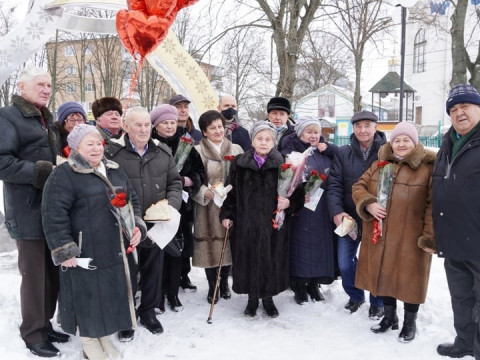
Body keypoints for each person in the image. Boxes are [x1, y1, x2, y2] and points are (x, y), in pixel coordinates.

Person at [42, 124, 147, 359]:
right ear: (75, 147)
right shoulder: (64, 174)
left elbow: (130, 201)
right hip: (84, 249)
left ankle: (103, 337)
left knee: (106, 294)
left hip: (113, 247)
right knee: (87, 296)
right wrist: (64, 250)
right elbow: (53, 214)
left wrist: (136, 226)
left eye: (99, 142)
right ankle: (90, 343)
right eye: (89, 143)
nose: (96, 147)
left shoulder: (113, 169)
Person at [0, 67, 67, 358]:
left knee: (52, 272)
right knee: (35, 274)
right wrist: (41, 171)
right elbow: (2, 162)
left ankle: (45, 323)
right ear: (22, 86)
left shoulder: (45, 119)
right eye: (40, 84)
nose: (47, 89)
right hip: (26, 209)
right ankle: (32, 332)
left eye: (50, 85)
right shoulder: (8, 116)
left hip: (50, 208)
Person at [352, 121, 435, 343]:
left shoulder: (427, 168)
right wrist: (368, 203)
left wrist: (429, 236)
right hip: (380, 234)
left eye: (406, 139)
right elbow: (358, 186)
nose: (401, 144)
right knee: (384, 275)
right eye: (397, 140)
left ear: (415, 142)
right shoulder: (380, 165)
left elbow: (432, 205)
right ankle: (389, 318)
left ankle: (410, 323)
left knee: (410, 279)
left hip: (410, 236)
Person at [105, 107, 182, 340]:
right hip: (125, 225)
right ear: (125, 127)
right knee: (126, 273)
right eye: (138, 125)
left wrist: (171, 208)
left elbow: (175, 184)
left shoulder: (163, 152)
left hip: (156, 224)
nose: (144, 129)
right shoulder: (112, 154)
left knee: (153, 270)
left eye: (147, 124)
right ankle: (126, 317)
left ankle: (148, 311)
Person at [220, 121, 304, 317]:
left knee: (271, 259)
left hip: (273, 224)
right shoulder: (239, 163)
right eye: (260, 138)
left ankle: (268, 298)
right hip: (246, 223)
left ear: (274, 142)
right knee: (247, 258)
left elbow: (298, 191)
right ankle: (251, 299)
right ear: (252, 140)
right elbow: (230, 192)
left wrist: (289, 203)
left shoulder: (284, 163)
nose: (264, 142)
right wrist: (227, 214)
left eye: (268, 139)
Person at [432, 84, 480, 358]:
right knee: (461, 298)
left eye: (465, 107)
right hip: (453, 240)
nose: (459, 113)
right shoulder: (447, 145)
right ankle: (464, 342)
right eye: (453, 109)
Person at [326, 110, 386, 318]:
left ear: (375, 127)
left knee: (375, 261)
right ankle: (355, 295)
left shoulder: (386, 151)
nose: (362, 130)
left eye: (367, 126)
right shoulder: (343, 153)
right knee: (344, 261)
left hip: (375, 217)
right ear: (353, 129)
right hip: (349, 217)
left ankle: (377, 301)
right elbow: (334, 184)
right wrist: (337, 212)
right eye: (358, 126)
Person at [150, 104, 205, 311]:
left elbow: (200, 171)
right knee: (157, 251)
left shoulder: (186, 144)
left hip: (180, 207)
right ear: (156, 125)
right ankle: (157, 294)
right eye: (165, 123)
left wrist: (189, 181)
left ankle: (172, 293)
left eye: (173, 122)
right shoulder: (151, 144)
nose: (170, 126)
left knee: (177, 250)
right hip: (155, 207)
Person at [280, 117, 338, 304]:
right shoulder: (292, 152)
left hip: (321, 208)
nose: (313, 136)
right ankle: (299, 284)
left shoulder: (325, 151)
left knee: (320, 245)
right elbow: (286, 178)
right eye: (309, 132)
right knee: (300, 246)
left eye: (316, 132)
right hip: (300, 207)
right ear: (300, 133)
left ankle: (315, 283)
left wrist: (330, 150)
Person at [192, 110, 243, 304]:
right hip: (208, 207)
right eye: (212, 128)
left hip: (231, 205)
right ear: (204, 131)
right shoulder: (197, 151)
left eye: (220, 126)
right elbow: (194, 179)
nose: (217, 130)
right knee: (210, 246)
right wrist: (206, 192)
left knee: (228, 243)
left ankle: (224, 284)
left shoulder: (236, 149)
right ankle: (212, 284)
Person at [169, 94, 203, 291]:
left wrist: (192, 181)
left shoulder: (195, 134)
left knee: (186, 235)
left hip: (188, 195)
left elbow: (199, 165)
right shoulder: (163, 134)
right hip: (169, 194)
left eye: (185, 107)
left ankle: (184, 274)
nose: (182, 110)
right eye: (178, 107)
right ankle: (171, 277)